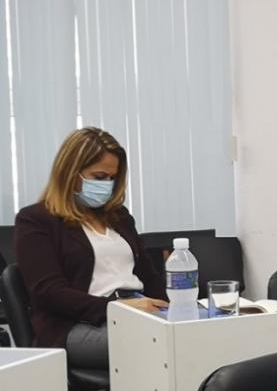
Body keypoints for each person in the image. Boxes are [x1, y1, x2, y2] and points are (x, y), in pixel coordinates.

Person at [14, 127, 167, 369]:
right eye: (99, 177)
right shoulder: (35, 220)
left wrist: (176, 311)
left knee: (197, 334)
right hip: (78, 325)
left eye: (112, 178)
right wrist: (117, 308)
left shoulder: (119, 217)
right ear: (70, 173)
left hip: (137, 313)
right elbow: (49, 293)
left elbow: (149, 275)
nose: (107, 185)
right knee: (163, 346)